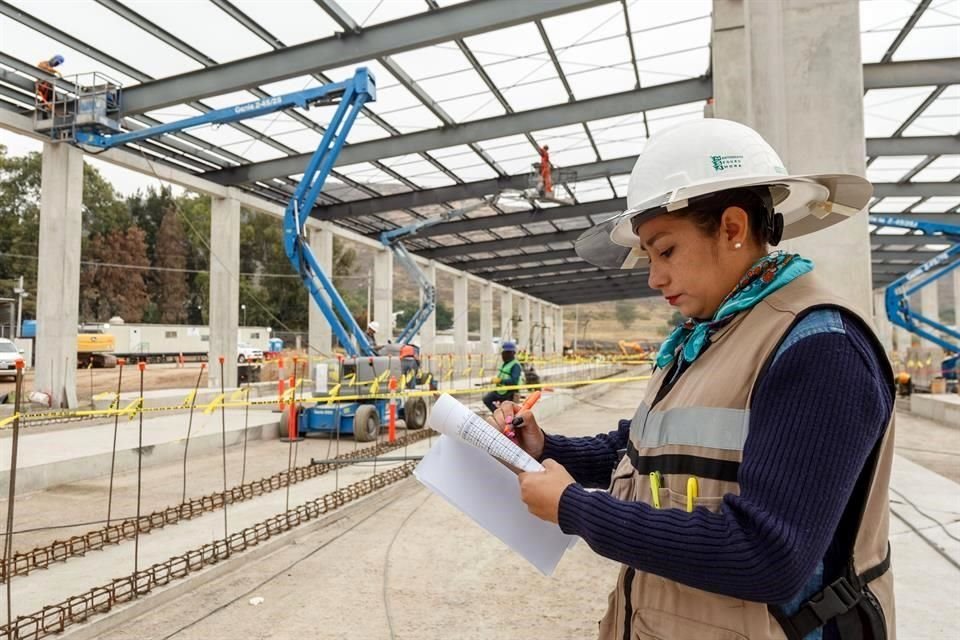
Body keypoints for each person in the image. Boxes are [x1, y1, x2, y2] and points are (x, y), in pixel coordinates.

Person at [492, 119, 895, 640]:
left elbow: (768, 555)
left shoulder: (820, 348)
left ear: (732, 228)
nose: (653, 277)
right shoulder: (711, 335)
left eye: (665, 251)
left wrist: (576, 508)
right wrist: (547, 446)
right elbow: (647, 448)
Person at [482, 341, 522, 412]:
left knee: (508, 410)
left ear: (513, 353)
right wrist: (496, 380)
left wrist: (501, 380)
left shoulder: (515, 365)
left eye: (507, 353)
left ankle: (501, 414)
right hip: (501, 390)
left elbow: (514, 381)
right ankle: (497, 413)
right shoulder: (506, 363)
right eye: (504, 353)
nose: (504, 355)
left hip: (510, 392)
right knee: (487, 399)